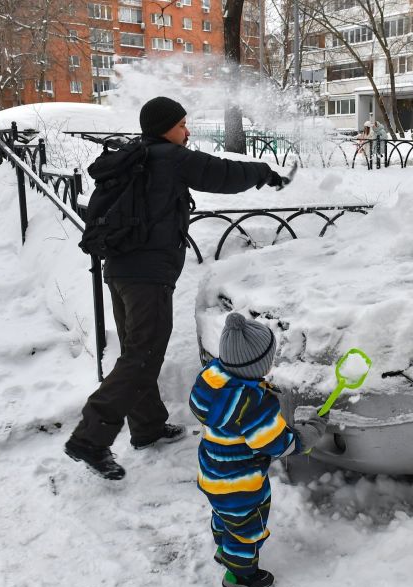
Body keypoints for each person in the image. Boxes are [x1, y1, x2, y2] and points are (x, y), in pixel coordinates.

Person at [64, 96, 287, 480]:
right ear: (165, 127)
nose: (187, 131)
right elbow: (223, 174)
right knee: (142, 356)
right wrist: (265, 172)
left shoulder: (137, 154)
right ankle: (90, 439)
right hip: (147, 276)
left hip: (119, 270)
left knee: (140, 351)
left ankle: (148, 427)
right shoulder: (170, 158)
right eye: (183, 124)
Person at [190, 313, 328, 587]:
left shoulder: (211, 377)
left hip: (212, 471)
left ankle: (224, 550)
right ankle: (239, 575)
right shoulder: (253, 404)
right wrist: (308, 431)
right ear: (257, 364)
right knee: (247, 528)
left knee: (224, 514)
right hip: (240, 481)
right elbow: (279, 444)